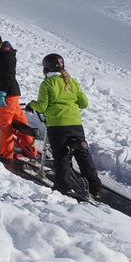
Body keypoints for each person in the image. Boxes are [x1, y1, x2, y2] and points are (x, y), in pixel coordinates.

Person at [27, 53, 101, 201]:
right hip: (76, 125)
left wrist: (31, 105)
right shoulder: (72, 82)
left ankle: (63, 187)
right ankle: (95, 188)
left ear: (46, 69)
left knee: (61, 156)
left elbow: (42, 106)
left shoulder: (47, 83)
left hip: (58, 126)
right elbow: (84, 104)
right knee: (83, 155)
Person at [0, 32, 35, 159]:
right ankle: (30, 147)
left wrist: (2, 93)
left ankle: (5, 153)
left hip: (7, 94)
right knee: (19, 121)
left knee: (5, 124)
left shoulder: (6, 56)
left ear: (0, 43)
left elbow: (8, 76)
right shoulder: (1, 55)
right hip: (12, 94)